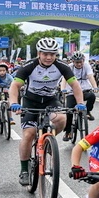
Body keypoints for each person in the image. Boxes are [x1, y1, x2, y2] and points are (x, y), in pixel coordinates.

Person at [9, 38, 86, 186]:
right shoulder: (29, 66)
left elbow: (75, 85)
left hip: (51, 100)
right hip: (31, 101)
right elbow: (15, 86)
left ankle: (46, 142)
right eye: (45, 54)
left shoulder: (62, 66)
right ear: (39, 53)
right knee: (29, 134)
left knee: (62, 119)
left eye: (52, 54)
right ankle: (24, 170)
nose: (49, 57)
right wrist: (14, 103)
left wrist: (80, 103)